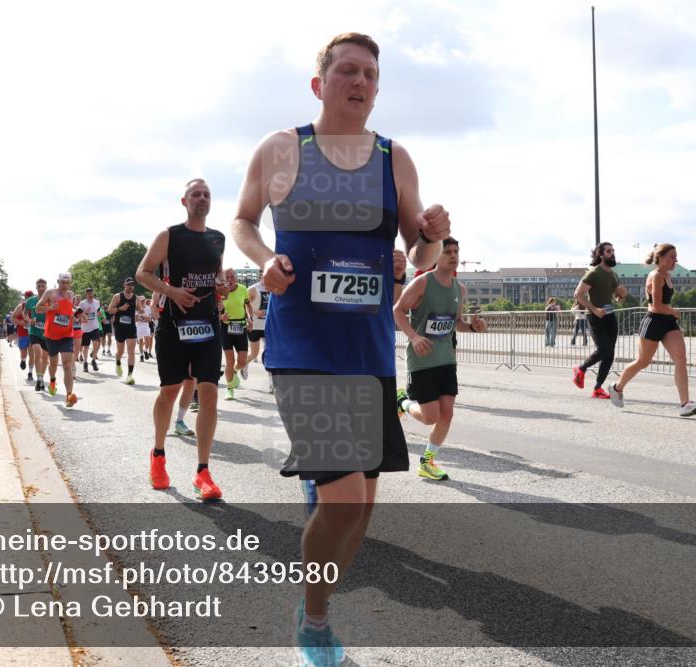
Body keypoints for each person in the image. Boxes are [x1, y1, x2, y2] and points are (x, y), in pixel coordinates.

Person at [230, 32, 451, 664]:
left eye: (371, 75)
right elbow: (243, 220)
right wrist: (264, 259)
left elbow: (420, 251)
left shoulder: (393, 158)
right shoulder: (283, 148)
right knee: (347, 497)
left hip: (368, 351)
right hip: (302, 348)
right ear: (319, 83)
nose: (361, 82)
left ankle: (316, 581)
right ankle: (315, 621)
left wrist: (434, 235)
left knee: (360, 508)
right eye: (348, 70)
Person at [136, 177, 229, 501]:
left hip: (208, 325)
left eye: (207, 194)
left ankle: (203, 472)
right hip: (174, 325)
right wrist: (172, 291)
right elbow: (142, 273)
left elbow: (217, 275)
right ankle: (158, 454)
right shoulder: (169, 236)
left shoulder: (218, 238)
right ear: (184, 201)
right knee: (169, 391)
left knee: (209, 393)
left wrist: (222, 285)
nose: (202, 198)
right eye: (196, 194)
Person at [394, 239, 487, 481]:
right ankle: (402, 402)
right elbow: (397, 310)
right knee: (430, 418)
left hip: (446, 359)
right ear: (437, 256)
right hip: (422, 359)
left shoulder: (460, 289)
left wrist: (473, 327)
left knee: (447, 414)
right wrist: (414, 337)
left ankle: (427, 461)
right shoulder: (422, 282)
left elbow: (456, 323)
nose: (454, 256)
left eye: (456, 251)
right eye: (448, 252)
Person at [609, 244, 696, 417]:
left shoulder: (667, 275)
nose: (675, 260)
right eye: (672, 257)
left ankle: (685, 404)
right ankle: (617, 388)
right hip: (653, 321)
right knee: (643, 361)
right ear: (660, 257)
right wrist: (674, 311)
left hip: (668, 322)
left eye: (676, 257)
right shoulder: (656, 275)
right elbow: (657, 305)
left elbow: (664, 305)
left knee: (681, 358)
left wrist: (671, 314)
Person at [572, 242, 627, 399]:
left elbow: (617, 299)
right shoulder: (594, 273)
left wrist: (622, 295)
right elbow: (578, 294)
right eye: (609, 251)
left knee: (610, 354)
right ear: (601, 255)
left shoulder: (613, 275)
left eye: (613, 250)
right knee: (604, 349)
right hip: (595, 316)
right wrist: (595, 309)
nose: (613, 253)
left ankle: (597, 388)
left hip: (609, 316)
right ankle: (581, 368)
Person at [36, 273, 79, 407]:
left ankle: (69, 395)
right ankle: (52, 381)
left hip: (67, 334)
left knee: (67, 364)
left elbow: (69, 310)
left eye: (68, 283)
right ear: (58, 281)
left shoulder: (70, 295)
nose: (65, 285)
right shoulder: (50, 293)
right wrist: (50, 308)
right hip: (51, 335)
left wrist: (77, 314)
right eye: (63, 282)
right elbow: (38, 308)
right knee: (53, 364)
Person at [219, 268, 253, 400]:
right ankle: (229, 388)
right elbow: (214, 309)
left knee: (242, 362)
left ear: (236, 277)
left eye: (232, 277)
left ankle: (234, 371)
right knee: (230, 360)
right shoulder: (220, 291)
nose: (230, 280)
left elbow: (248, 306)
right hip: (226, 328)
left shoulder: (243, 289)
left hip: (241, 328)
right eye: (227, 277)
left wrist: (250, 319)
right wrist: (221, 317)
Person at [15, 279, 50, 392]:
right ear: (36, 288)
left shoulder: (50, 300)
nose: (41, 288)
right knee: (37, 352)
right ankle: (38, 379)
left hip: (47, 332)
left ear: (46, 287)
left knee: (45, 357)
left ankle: (41, 377)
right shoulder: (31, 301)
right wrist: (30, 321)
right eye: (39, 286)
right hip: (34, 331)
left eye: (43, 286)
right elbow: (24, 313)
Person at [108, 278, 140, 384]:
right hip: (119, 327)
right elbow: (109, 310)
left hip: (131, 327)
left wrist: (141, 310)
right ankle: (118, 361)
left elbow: (140, 309)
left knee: (131, 351)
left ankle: (130, 375)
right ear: (124, 285)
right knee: (120, 352)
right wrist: (120, 309)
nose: (130, 286)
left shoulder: (136, 298)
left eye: (132, 285)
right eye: (128, 284)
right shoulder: (117, 296)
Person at [246, 280, 271, 390]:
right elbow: (243, 305)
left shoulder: (274, 288)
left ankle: (271, 383)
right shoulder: (253, 289)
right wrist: (256, 312)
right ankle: (244, 364)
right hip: (255, 326)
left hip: (268, 326)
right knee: (254, 354)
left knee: (269, 354)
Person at [79, 288, 102, 372]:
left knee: (97, 344)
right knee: (86, 347)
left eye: (91, 293)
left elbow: (98, 312)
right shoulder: (82, 303)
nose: (90, 295)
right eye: (88, 293)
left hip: (94, 327)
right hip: (85, 329)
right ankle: (85, 363)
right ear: (86, 294)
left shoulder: (97, 302)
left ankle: (93, 360)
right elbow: (79, 315)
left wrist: (99, 314)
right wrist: (85, 314)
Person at [14, 291, 34, 377]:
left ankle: (30, 372)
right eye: (27, 297)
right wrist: (20, 322)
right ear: (25, 297)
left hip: (32, 333)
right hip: (22, 333)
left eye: (30, 297)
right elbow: (12, 317)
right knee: (23, 353)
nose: (29, 299)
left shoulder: (36, 306)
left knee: (32, 353)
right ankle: (23, 360)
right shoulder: (20, 307)